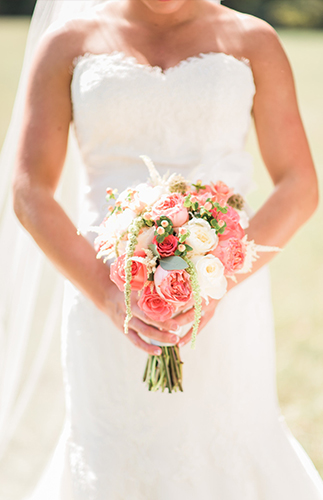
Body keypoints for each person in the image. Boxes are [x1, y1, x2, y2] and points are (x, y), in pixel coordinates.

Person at [2, 0, 323, 498]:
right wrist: (109, 295)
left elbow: (300, 183)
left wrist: (219, 278)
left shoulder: (254, 41)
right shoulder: (68, 43)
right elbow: (29, 190)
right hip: (102, 297)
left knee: (227, 450)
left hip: (227, 304)